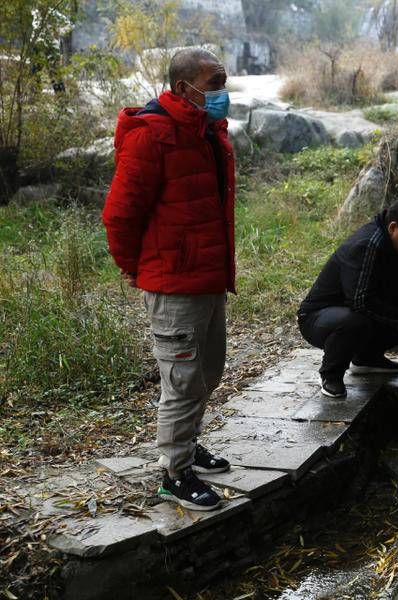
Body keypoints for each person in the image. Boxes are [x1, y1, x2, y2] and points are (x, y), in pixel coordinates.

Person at [102, 47, 234, 512]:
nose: (222, 91)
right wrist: (136, 269)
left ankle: (189, 446)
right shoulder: (151, 137)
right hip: (172, 283)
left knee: (208, 371)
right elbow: (119, 216)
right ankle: (174, 474)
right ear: (184, 88)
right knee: (181, 380)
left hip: (208, 277)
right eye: (214, 82)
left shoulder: (206, 130)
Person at [297, 201, 398, 398]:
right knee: (355, 320)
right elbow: (360, 301)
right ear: (393, 228)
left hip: (366, 305)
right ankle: (330, 375)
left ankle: (367, 358)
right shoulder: (366, 245)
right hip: (319, 318)